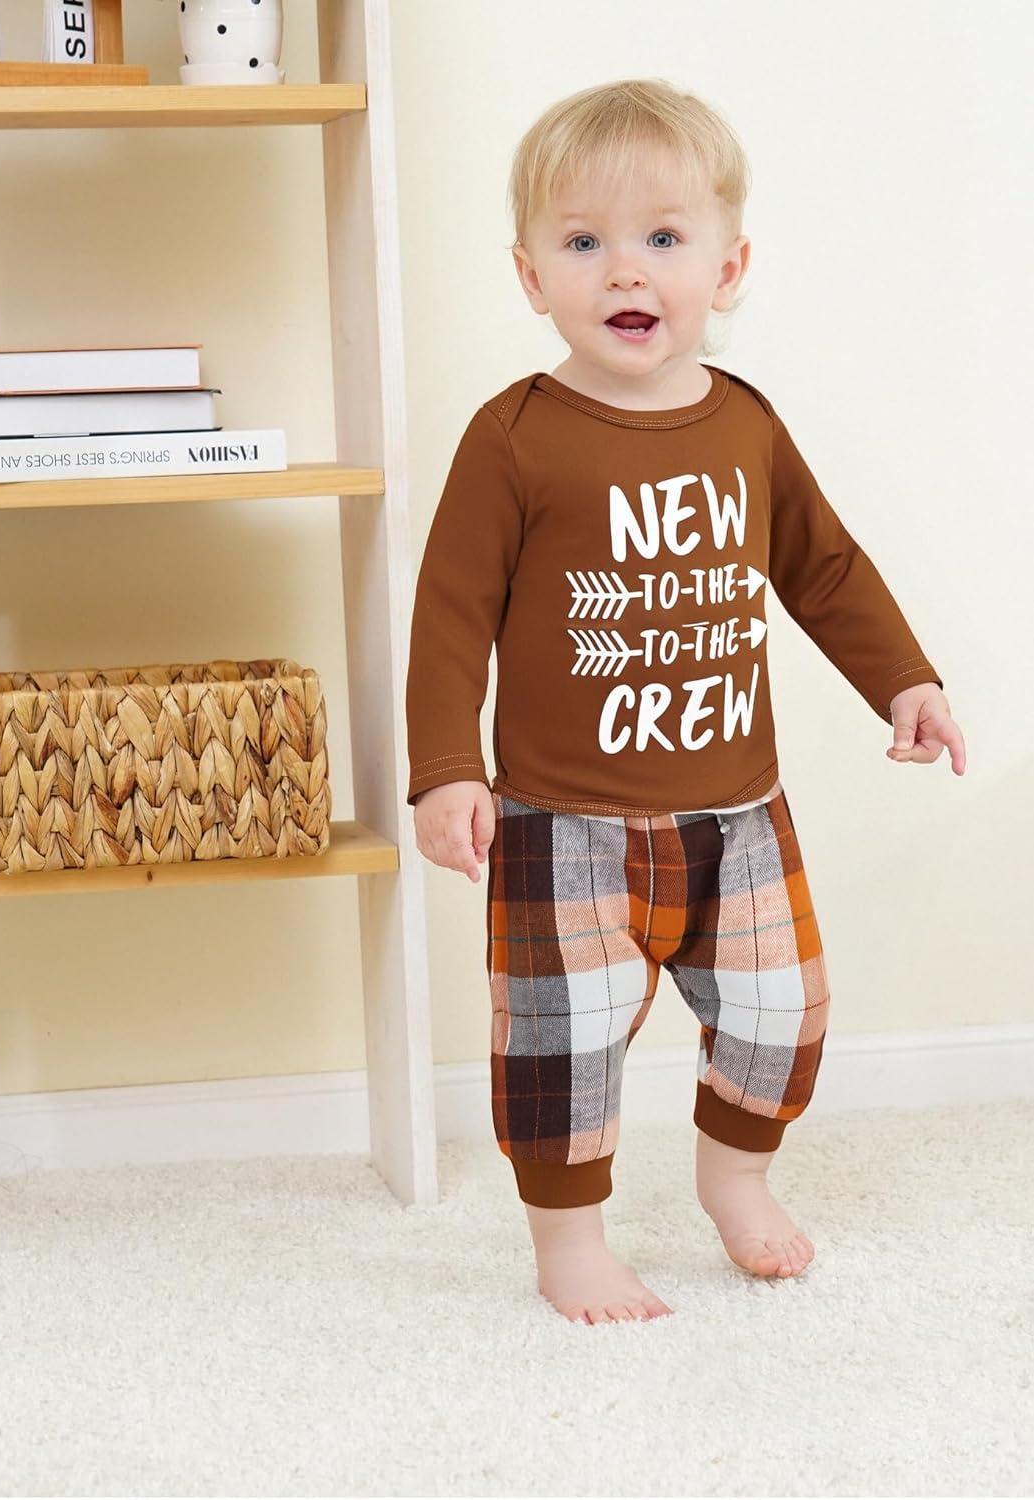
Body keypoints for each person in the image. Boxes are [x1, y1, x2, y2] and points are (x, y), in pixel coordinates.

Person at [403, 77, 966, 1325]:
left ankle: (735, 1181)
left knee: (783, 1010)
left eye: (663, 237)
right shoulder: (513, 438)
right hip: (562, 821)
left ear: (728, 266)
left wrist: (905, 679)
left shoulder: (745, 425)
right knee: (561, 1044)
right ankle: (569, 1246)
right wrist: (446, 768)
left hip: (737, 812)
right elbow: (449, 613)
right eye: (582, 241)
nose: (626, 270)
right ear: (529, 276)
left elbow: (822, 566)